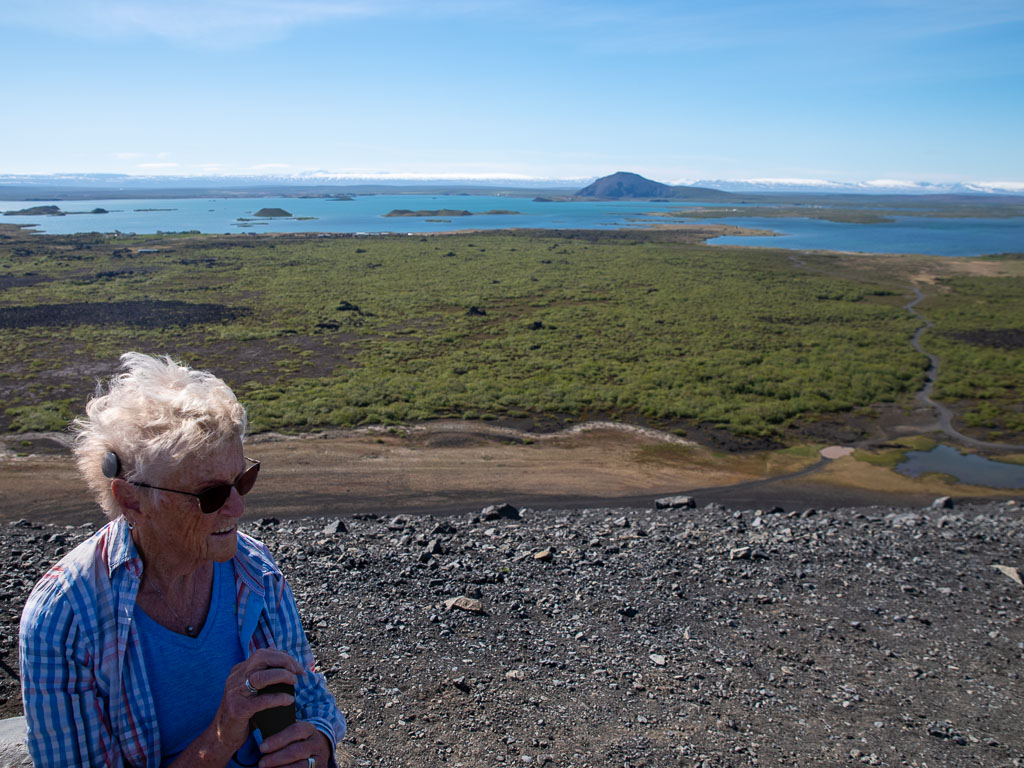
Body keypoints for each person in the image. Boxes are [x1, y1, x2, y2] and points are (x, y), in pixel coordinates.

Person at [19, 353, 345, 767]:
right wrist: (222, 737)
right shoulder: (66, 617)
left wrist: (319, 739)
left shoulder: (253, 569)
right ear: (131, 499)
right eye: (210, 496)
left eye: (242, 480)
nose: (237, 508)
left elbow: (312, 695)